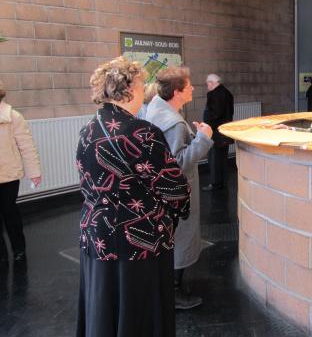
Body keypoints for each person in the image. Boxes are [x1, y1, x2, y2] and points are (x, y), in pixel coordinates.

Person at [76, 57, 191, 337]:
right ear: (128, 90)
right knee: (140, 311)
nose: (144, 90)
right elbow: (173, 187)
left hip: (97, 233)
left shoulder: (87, 129)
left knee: (104, 305)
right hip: (139, 239)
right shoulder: (142, 132)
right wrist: (181, 205)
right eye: (141, 84)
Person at [145, 66, 213, 310]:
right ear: (176, 92)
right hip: (177, 196)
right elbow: (178, 164)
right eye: (188, 85)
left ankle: (167, 287)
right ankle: (174, 292)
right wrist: (203, 137)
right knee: (180, 239)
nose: (193, 88)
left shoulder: (154, 108)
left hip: (157, 194)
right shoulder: (174, 124)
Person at [0, 80, 41, 263]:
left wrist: (35, 172)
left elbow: (27, 146)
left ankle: (19, 249)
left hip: (8, 176)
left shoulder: (13, 117)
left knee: (10, 214)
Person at [202, 74, 234, 191]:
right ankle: (222, 182)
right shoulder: (227, 93)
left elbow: (214, 114)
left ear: (212, 82)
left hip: (215, 133)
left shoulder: (215, 94)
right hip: (224, 132)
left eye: (207, 83)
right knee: (222, 159)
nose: (207, 86)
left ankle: (215, 184)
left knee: (214, 158)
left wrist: (205, 125)